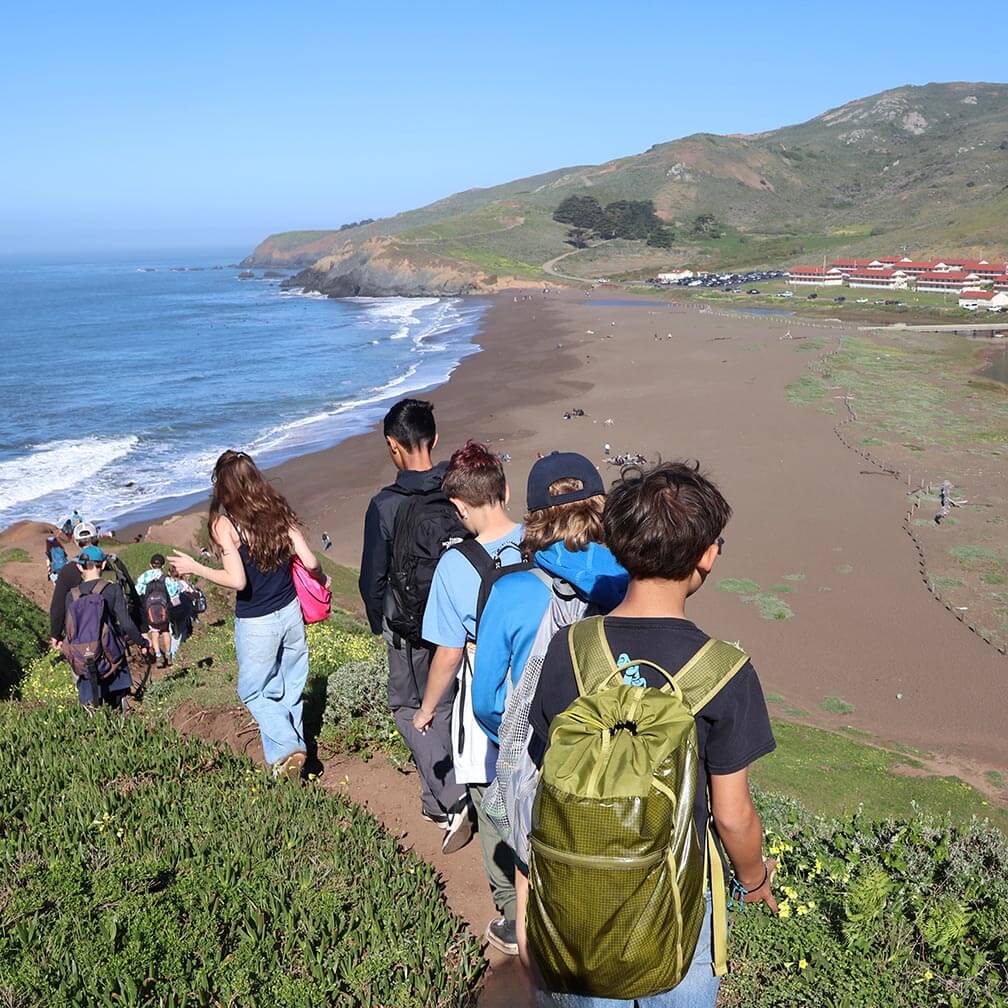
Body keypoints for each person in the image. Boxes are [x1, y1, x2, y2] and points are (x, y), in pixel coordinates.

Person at [527, 461, 778, 1005]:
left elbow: (546, 761)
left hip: (579, 894)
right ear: (707, 554)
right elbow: (732, 815)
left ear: (617, 546)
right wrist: (755, 882)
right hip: (677, 902)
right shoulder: (726, 671)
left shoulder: (570, 649)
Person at [470, 453, 628, 952]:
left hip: (541, 767)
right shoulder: (632, 583)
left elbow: (486, 700)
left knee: (531, 888)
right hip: (617, 766)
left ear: (533, 518)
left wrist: (518, 740)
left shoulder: (513, 590)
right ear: (601, 508)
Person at [413, 441, 524, 956]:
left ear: (458, 507)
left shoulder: (455, 566)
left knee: (493, 808)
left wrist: (428, 707)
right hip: (545, 694)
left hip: (488, 705)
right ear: (504, 490)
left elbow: (448, 656)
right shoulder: (539, 543)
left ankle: (512, 915)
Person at [358, 399, 470, 853]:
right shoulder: (457, 491)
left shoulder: (385, 505)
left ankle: (452, 797)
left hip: (410, 629)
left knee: (412, 710)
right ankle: (434, 795)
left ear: (392, 446)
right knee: (452, 705)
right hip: (464, 622)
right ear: (435, 439)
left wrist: (378, 623)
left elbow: (373, 579)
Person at [169, 450, 322, 779]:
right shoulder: (277, 509)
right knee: (289, 688)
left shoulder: (225, 523)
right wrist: (321, 582)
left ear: (223, 486)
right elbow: (310, 562)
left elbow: (237, 580)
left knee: (253, 691)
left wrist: (195, 567)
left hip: (258, 622)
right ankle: (289, 764)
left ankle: (287, 749)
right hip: (291, 612)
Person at [63, 545, 148, 710]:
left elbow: (70, 632)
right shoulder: (112, 589)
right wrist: (142, 643)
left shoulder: (71, 595)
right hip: (113, 660)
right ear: (102, 565)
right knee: (119, 714)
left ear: (80, 566)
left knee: (93, 719)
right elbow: (127, 624)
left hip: (84, 664)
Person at [49, 522, 101, 647]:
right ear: (96, 539)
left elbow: (58, 606)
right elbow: (130, 591)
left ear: (76, 542)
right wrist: (142, 629)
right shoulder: (111, 562)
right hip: (113, 630)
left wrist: (56, 634)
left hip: (81, 633)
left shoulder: (68, 570)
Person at [135, 554, 172, 667]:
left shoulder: (144, 577)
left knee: (155, 633)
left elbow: (138, 592)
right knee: (165, 631)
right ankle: (169, 655)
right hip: (164, 610)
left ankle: (158, 656)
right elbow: (171, 593)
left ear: (150, 565)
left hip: (150, 611)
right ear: (163, 565)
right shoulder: (165, 578)